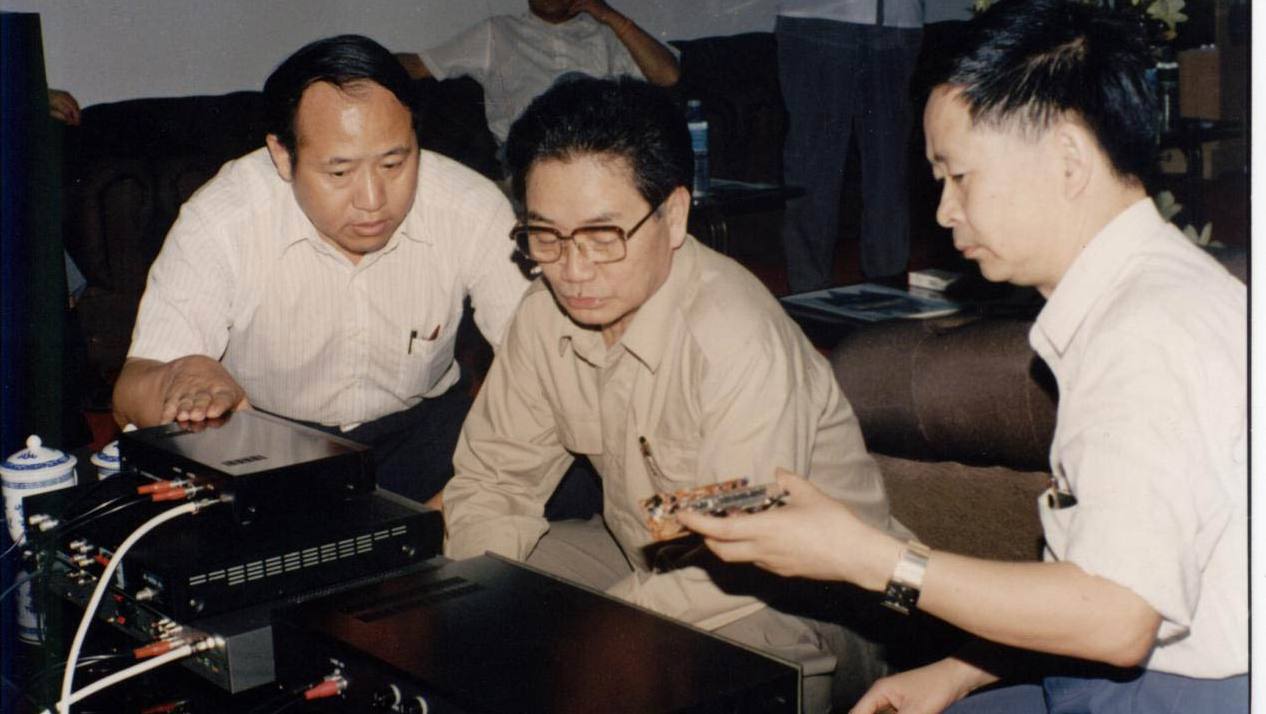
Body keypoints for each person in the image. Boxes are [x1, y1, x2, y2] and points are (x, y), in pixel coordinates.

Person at [681, 1, 1248, 711]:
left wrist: (865, 557)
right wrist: (960, 670)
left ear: (1069, 160)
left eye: (959, 176)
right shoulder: (1148, 292)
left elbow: (1116, 617)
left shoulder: (1143, 333)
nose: (945, 211)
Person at [441, 76, 908, 712]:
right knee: (492, 589)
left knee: (654, 672)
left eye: (603, 235)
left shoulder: (734, 338)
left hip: (798, 598)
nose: (573, 270)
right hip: (649, 560)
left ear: (675, 215)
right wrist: (476, 610)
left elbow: (742, 559)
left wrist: (585, 635)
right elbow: (493, 480)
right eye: (545, 236)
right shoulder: (544, 316)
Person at [112, 35, 529, 506]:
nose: (372, 200)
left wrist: (461, 499)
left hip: (424, 433)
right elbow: (131, 392)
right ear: (282, 155)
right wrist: (181, 376)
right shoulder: (223, 219)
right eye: (339, 173)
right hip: (277, 442)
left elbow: (542, 364)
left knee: (569, 471)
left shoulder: (468, 205)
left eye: (394, 163)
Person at [776, 0, 924, 292]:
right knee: (814, 168)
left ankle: (888, 295)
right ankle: (809, 296)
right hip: (819, 19)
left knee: (889, 171)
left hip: (898, 21)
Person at [395, 0, 679, 146]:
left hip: (599, 148)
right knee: (571, 86)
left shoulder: (605, 33)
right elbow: (418, 65)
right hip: (531, 152)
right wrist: (366, 60)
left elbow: (668, 75)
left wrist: (609, 16)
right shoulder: (498, 32)